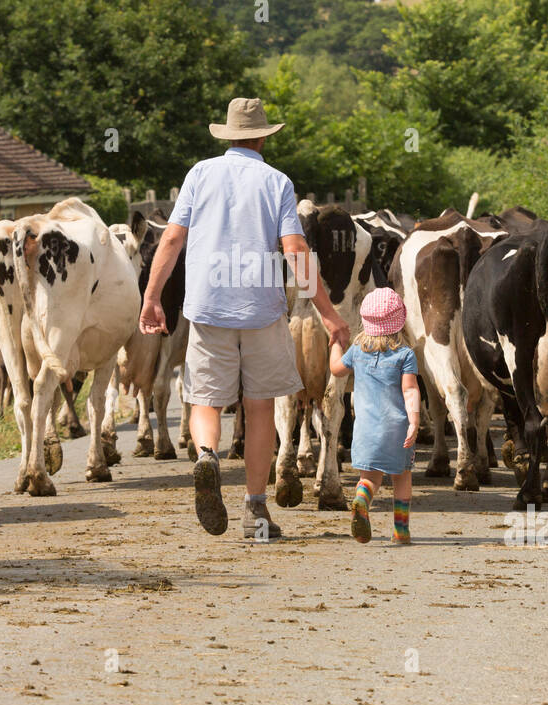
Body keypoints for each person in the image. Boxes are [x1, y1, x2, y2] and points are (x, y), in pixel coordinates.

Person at [140, 97, 350, 539]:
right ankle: (256, 510)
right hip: (261, 311)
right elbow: (294, 250)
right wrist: (329, 316)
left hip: (207, 306)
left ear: (228, 135)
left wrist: (152, 296)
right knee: (259, 409)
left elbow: (173, 238)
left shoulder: (199, 174)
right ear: (261, 137)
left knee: (205, 401)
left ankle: (206, 457)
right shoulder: (276, 181)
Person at [329, 287, 419, 544]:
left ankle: (361, 500)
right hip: (396, 430)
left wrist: (336, 344)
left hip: (365, 431)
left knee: (369, 478)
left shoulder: (357, 351)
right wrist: (414, 420)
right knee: (402, 476)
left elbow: (336, 370)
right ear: (399, 320)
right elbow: (410, 389)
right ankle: (401, 531)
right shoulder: (405, 354)